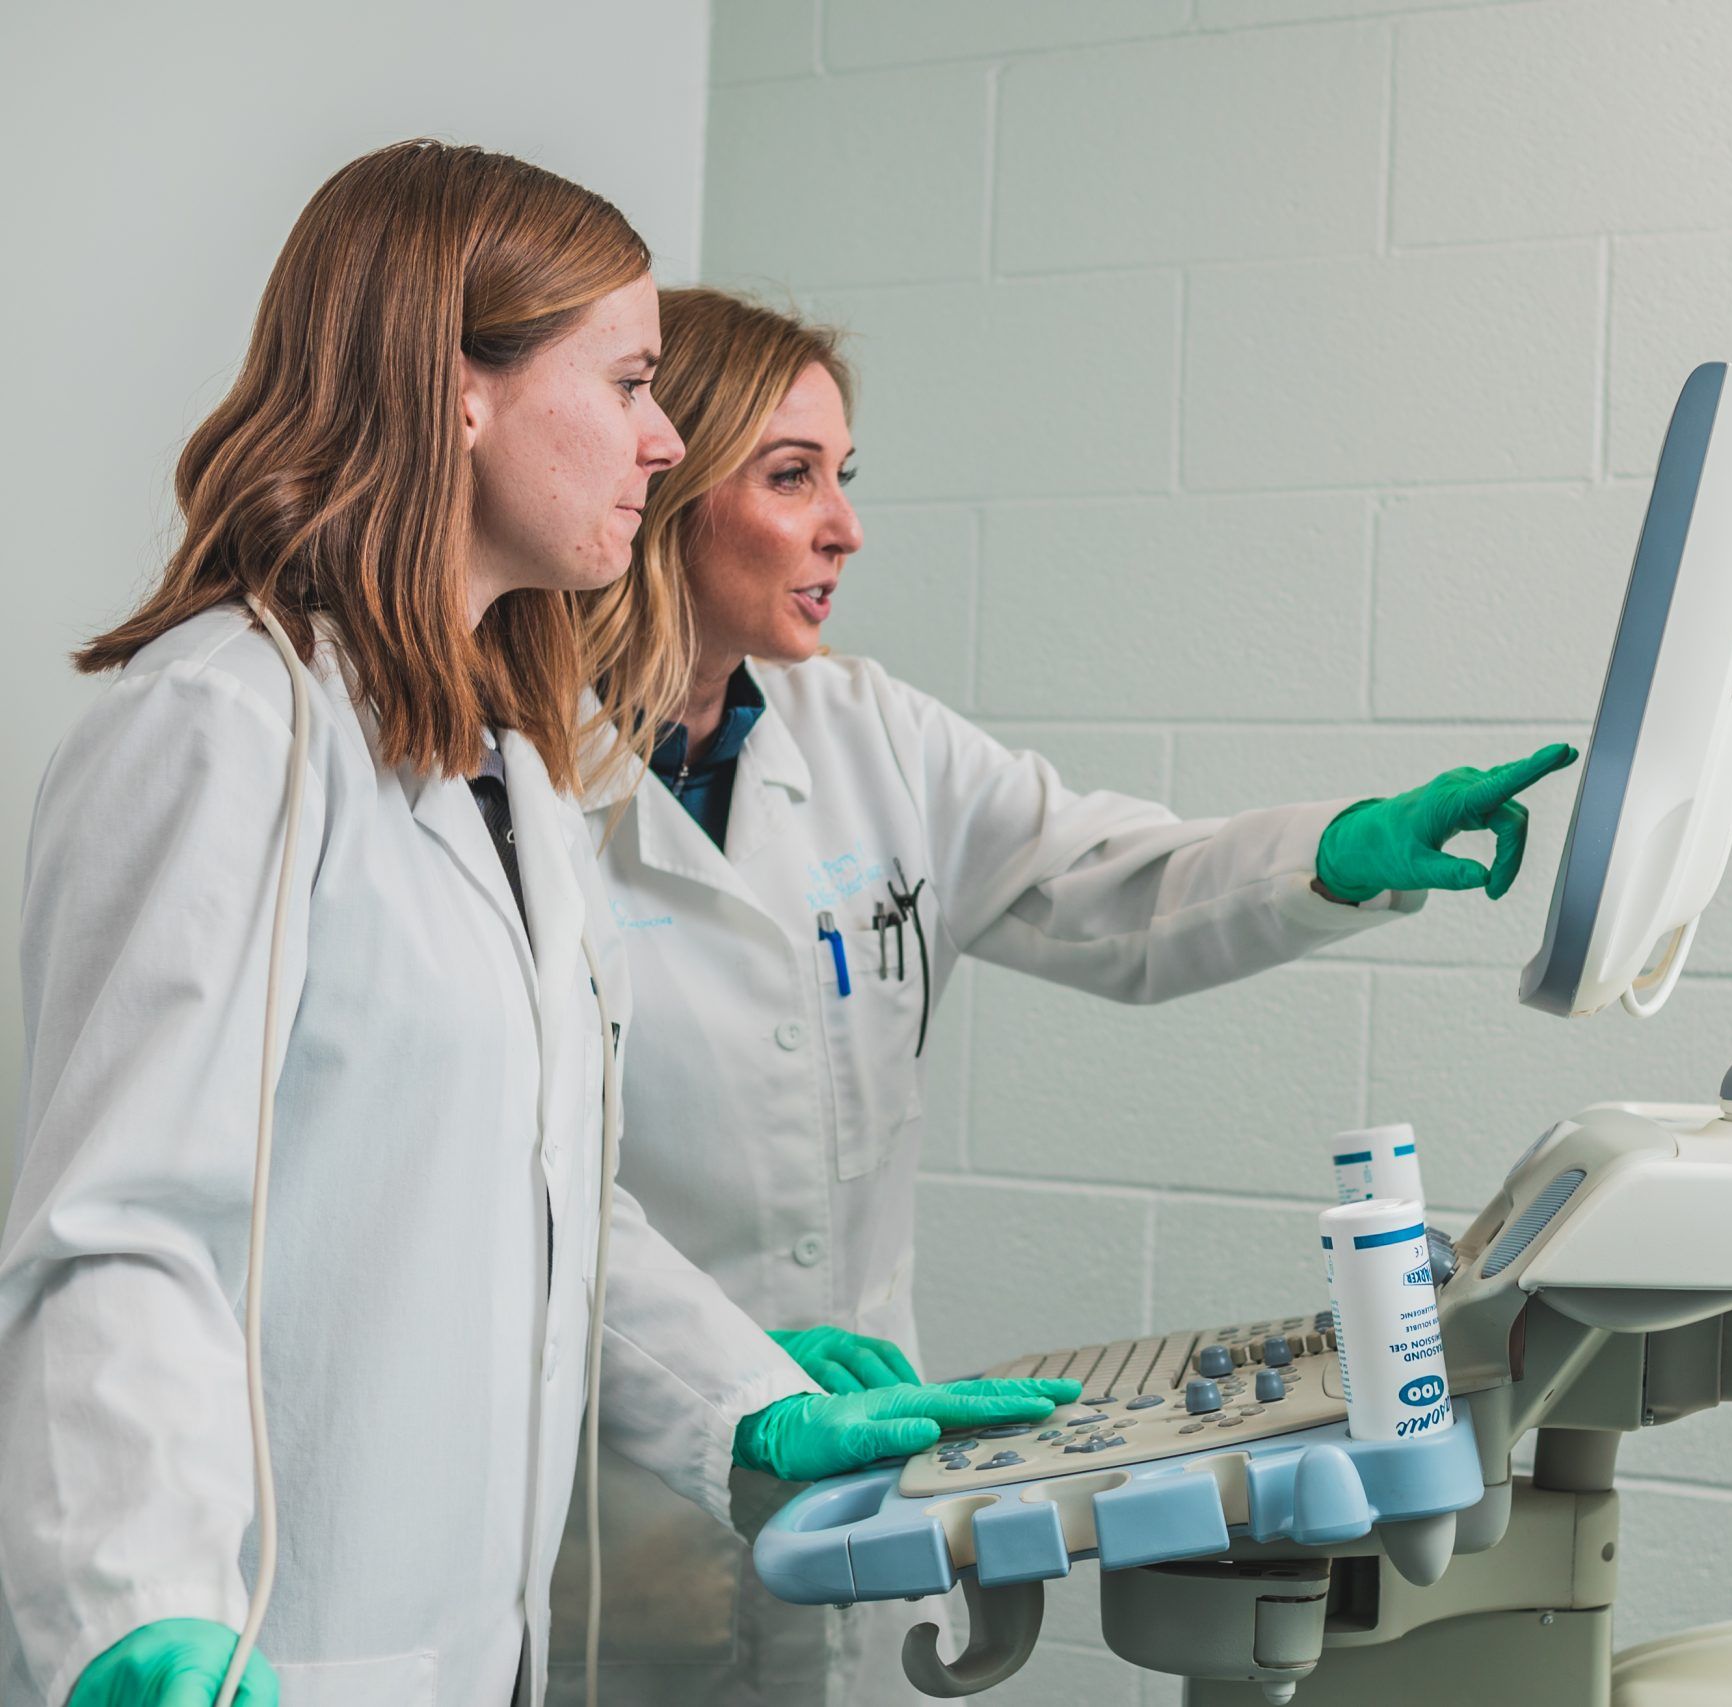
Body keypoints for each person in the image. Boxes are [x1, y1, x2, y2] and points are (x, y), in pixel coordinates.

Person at [0, 145, 1069, 1707]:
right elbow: (122, 1228)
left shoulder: (508, 769)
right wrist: (133, 1608)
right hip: (265, 1654)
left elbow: (550, 1198)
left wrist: (744, 1401)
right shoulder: (227, 725)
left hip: (473, 1647)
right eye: (633, 382)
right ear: (459, 392)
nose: (663, 440)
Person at [554, 286, 1577, 1704]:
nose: (844, 527)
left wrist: (1337, 856)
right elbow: (508, 1189)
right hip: (595, 1506)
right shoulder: (506, 787)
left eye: (844, 478)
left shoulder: (867, 734)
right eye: (792, 477)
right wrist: (724, 1377)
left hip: (848, 1468)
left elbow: (1111, 887)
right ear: (661, 481)